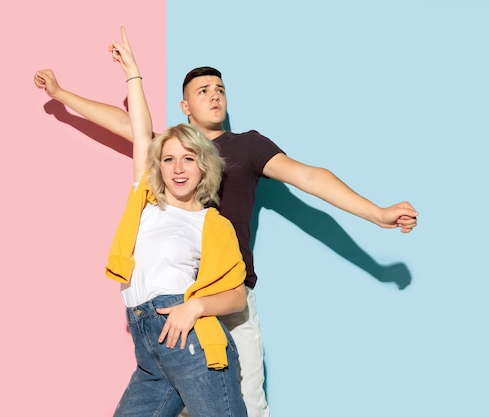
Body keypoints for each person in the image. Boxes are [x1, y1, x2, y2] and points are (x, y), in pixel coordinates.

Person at [34, 29, 419, 417]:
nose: (215, 94)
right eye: (203, 90)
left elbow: (309, 176)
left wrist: (376, 212)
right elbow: (129, 125)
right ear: (185, 106)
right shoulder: (174, 151)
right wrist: (62, 94)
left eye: (220, 88)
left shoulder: (247, 145)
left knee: (245, 404)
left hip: (229, 294)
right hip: (175, 297)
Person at [100, 27, 248, 417]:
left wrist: (194, 308)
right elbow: (140, 134)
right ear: (158, 167)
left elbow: (236, 296)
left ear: (204, 166)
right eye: (168, 159)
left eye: (189, 159)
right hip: (147, 346)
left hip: (189, 339)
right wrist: (133, 72)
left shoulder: (212, 224)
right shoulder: (145, 202)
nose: (178, 168)